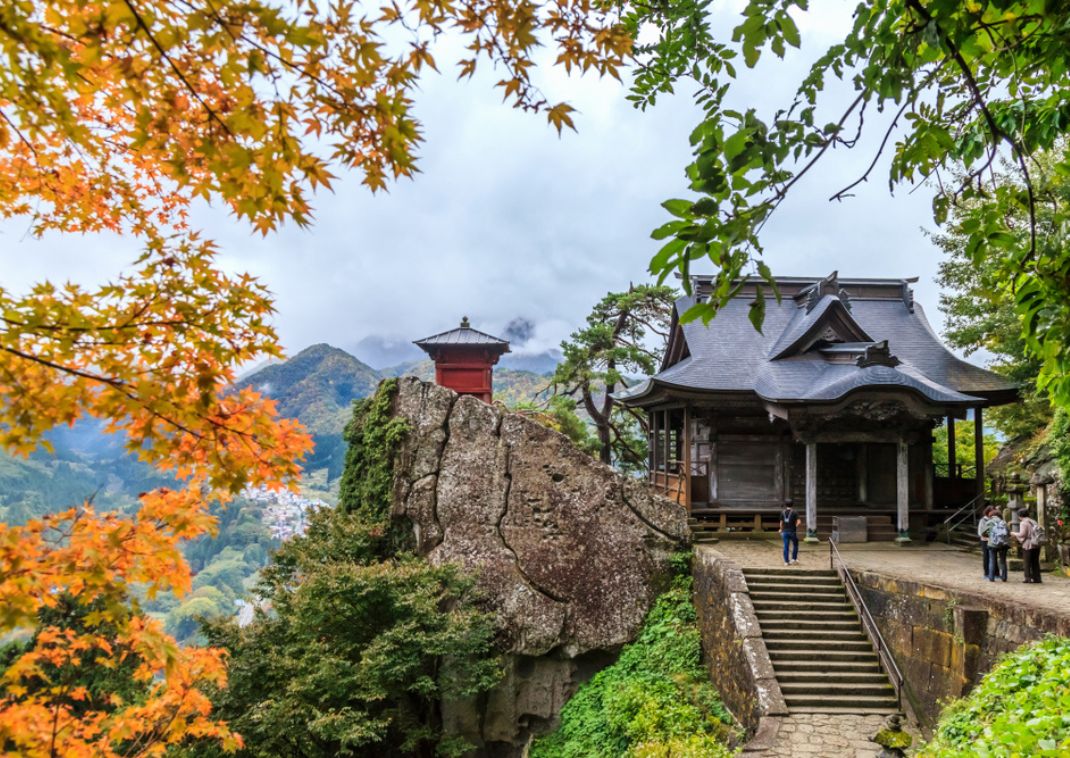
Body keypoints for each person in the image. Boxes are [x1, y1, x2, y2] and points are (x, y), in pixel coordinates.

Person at [1012, 508, 1043, 584]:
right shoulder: (1033, 521)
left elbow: (1022, 534)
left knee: (1027, 562)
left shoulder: (1023, 523)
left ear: (1020, 515)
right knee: (1035, 562)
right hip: (1036, 543)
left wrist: (1014, 533)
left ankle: (1027, 578)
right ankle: (1037, 578)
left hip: (1028, 544)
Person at [986, 511, 1010, 582]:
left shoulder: (989, 522)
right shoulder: (1004, 523)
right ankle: (1004, 577)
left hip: (992, 544)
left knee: (992, 560)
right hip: (1003, 544)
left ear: (991, 515)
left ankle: (991, 577)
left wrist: (989, 535)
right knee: (1003, 561)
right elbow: (1009, 533)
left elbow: (982, 532)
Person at [779, 499, 800, 566]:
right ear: (792, 505)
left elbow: (781, 523)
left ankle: (786, 561)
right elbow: (799, 522)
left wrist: (781, 529)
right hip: (792, 531)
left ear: (786, 505)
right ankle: (793, 558)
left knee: (786, 546)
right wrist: (795, 526)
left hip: (785, 532)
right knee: (795, 544)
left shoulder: (782, 512)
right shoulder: (795, 512)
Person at [977, 506, 995, 579]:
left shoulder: (994, 519)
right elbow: (980, 532)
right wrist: (987, 537)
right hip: (985, 541)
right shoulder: (983, 520)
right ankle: (986, 572)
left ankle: (994, 572)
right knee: (986, 556)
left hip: (992, 540)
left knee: (993, 557)